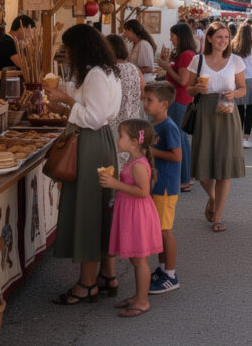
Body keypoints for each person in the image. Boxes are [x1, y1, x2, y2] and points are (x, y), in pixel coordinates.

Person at [46, 24, 122, 305]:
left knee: (90, 209)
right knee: (101, 209)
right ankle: (106, 275)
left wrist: (67, 100)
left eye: (67, 48)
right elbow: (93, 111)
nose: (65, 54)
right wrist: (66, 107)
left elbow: (94, 117)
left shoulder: (95, 75)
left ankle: (86, 283)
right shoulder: (104, 71)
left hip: (91, 143)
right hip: (98, 142)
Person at [99, 119, 163, 318]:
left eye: (121, 136)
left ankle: (142, 301)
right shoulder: (132, 158)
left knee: (140, 260)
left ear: (135, 141)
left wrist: (115, 184)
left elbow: (143, 192)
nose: (118, 139)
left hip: (138, 215)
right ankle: (138, 296)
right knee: (136, 259)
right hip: (132, 212)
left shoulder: (138, 165)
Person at [188, 22, 247, 233]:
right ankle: (213, 198)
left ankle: (218, 215)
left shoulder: (235, 60)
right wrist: (197, 88)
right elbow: (187, 89)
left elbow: (242, 89)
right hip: (204, 111)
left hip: (227, 111)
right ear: (210, 38)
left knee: (224, 168)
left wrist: (234, 93)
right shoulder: (198, 60)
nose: (223, 41)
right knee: (202, 167)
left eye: (226, 37)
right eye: (219, 37)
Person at [141, 82, 182, 294]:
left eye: (150, 100)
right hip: (157, 185)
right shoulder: (153, 124)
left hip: (166, 186)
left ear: (164, 104)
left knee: (165, 231)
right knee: (158, 230)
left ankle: (171, 275)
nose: (145, 103)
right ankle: (163, 267)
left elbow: (177, 156)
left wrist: (151, 151)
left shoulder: (168, 126)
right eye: (144, 99)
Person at [155, 23, 197, 192]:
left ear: (181, 37)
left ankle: (185, 178)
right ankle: (185, 176)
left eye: (173, 35)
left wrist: (166, 67)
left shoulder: (186, 55)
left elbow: (182, 80)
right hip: (176, 99)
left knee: (179, 138)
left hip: (180, 100)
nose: (171, 39)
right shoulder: (181, 54)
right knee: (179, 137)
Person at [104, 34, 145, 167]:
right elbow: (143, 93)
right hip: (134, 124)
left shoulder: (109, 72)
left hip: (115, 128)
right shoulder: (135, 69)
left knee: (115, 167)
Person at [231, 24, 252, 149]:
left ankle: (237, 136)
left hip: (236, 79)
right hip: (251, 79)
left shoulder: (233, 45)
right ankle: (246, 138)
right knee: (249, 109)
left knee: (238, 110)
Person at [0, 15, 35, 94]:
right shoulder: (8, 42)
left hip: (6, 84)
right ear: (21, 28)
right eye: (28, 32)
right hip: (1, 87)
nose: (29, 36)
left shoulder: (11, 41)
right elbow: (22, 65)